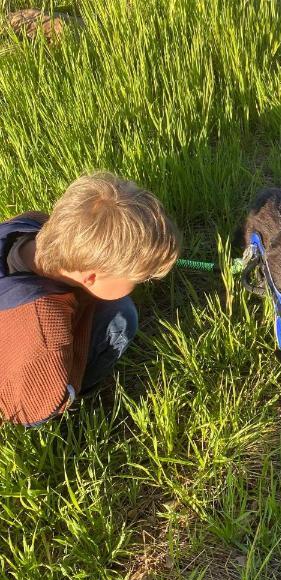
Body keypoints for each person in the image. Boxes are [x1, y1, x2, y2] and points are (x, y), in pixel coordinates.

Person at [0, 172, 180, 425]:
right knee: (121, 316)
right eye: (139, 279)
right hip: (28, 389)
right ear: (92, 277)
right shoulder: (43, 331)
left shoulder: (29, 224)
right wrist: (66, 388)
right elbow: (27, 409)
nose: (141, 284)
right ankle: (76, 404)